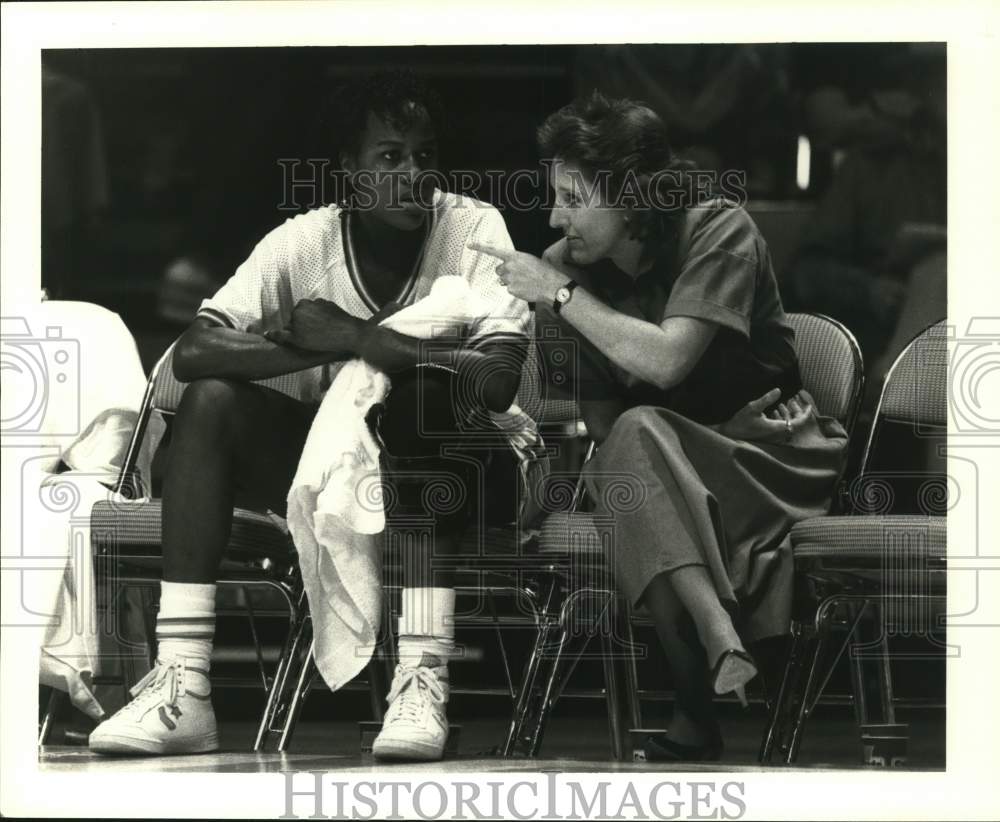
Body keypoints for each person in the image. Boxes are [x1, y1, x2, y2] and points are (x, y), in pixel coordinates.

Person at [88, 70, 534, 761]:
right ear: (348, 173)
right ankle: (183, 682)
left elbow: (498, 384)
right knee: (212, 402)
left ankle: (422, 677)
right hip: (342, 469)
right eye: (390, 156)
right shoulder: (303, 241)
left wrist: (355, 338)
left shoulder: (474, 227)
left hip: (474, 473)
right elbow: (195, 351)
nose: (412, 172)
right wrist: (296, 347)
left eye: (424, 155)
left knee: (417, 400)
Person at [470, 92, 848, 761]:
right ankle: (715, 635)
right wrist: (560, 293)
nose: (556, 216)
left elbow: (670, 361)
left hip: (768, 452)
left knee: (639, 443)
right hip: (664, 463)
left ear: (629, 192)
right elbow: (607, 420)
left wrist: (560, 294)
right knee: (631, 456)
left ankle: (696, 695)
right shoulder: (566, 266)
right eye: (553, 195)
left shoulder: (718, 228)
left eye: (573, 196)